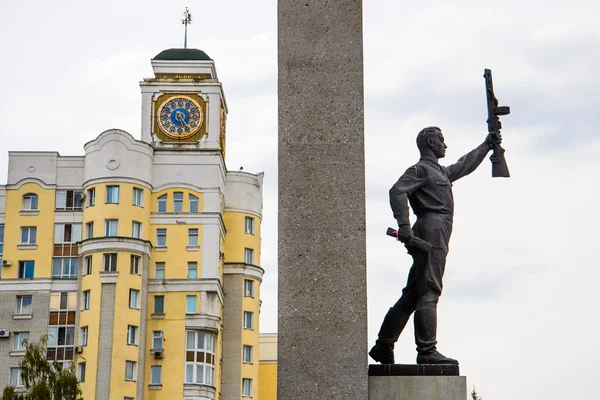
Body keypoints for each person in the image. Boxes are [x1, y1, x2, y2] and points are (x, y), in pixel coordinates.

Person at [369, 126, 501, 365]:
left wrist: (486, 145)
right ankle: (427, 351)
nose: (445, 144)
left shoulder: (438, 171)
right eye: (441, 140)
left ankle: (383, 345)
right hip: (431, 229)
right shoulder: (420, 169)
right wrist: (404, 225)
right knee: (429, 289)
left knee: (413, 293)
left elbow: (463, 165)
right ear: (430, 143)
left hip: (437, 229)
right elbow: (396, 191)